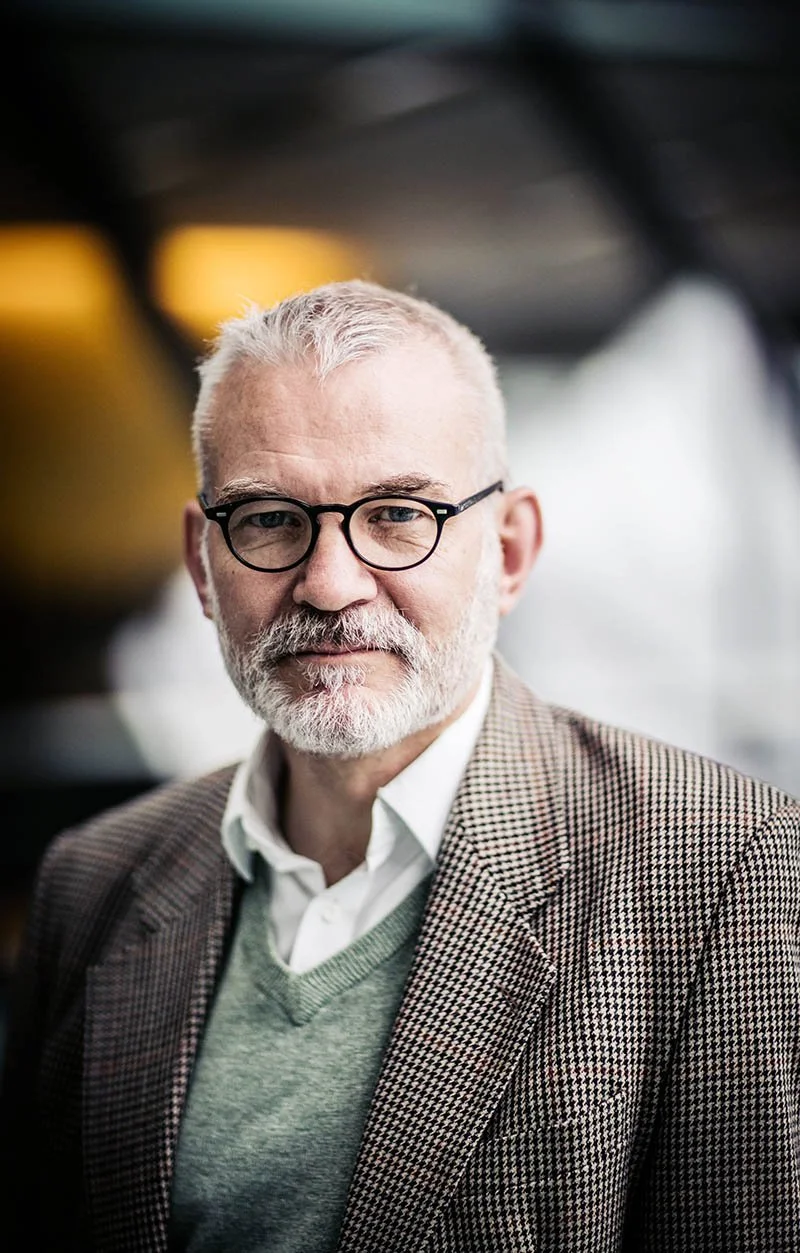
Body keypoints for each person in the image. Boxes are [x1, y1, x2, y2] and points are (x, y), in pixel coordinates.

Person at [2, 280, 798, 1253]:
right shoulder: (91, 882)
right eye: (266, 519)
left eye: (395, 514)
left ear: (507, 550)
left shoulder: (724, 867)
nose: (330, 583)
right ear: (202, 565)